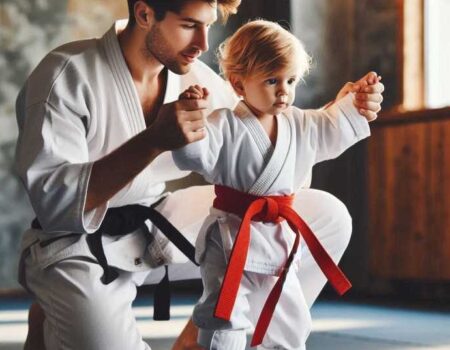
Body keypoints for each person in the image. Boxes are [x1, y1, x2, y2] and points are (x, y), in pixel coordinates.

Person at [14, 0, 384, 349]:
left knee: (324, 216)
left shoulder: (195, 76)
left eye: (208, 26)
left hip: (156, 219)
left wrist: (337, 114)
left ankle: (215, 332)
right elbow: (54, 205)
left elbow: (267, 140)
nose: (203, 44)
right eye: (190, 26)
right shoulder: (66, 75)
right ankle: (52, 313)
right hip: (78, 245)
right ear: (145, 13)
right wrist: (152, 141)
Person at [172, 20, 379, 350]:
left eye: (291, 80)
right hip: (231, 239)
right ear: (238, 84)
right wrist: (189, 121)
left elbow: (330, 126)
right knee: (224, 316)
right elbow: (194, 153)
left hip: (278, 239)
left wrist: (355, 105)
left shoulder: (298, 122)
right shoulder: (224, 124)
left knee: (289, 317)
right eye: (272, 80)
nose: (284, 90)